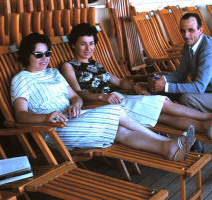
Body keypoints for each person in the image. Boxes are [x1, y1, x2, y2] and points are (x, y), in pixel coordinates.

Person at [11, 33, 195, 161]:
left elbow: (76, 97)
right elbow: (21, 115)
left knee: (120, 132)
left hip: (73, 118)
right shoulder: (21, 80)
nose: (45, 58)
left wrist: (74, 104)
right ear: (27, 55)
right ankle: (166, 141)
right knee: (116, 111)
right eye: (38, 55)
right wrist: (45, 117)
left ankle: (169, 149)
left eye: (48, 53)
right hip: (53, 129)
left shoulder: (53, 73)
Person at [60, 23, 212, 142]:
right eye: (83, 44)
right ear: (74, 45)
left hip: (116, 98)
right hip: (101, 106)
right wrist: (102, 98)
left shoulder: (94, 64)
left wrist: (135, 87)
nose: (89, 48)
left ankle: (204, 127)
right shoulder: (68, 66)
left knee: (163, 116)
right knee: (162, 103)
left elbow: (118, 81)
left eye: (91, 43)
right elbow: (77, 94)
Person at [149, 13, 212, 142]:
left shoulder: (209, 50)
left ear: (200, 30)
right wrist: (163, 80)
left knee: (186, 98)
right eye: (183, 30)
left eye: (190, 30)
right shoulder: (188, 46)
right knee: (167, 92)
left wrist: (167, 86)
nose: (186, 35)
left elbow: (198, 87)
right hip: (207, 94)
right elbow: (181, 73)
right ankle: (194, 131)